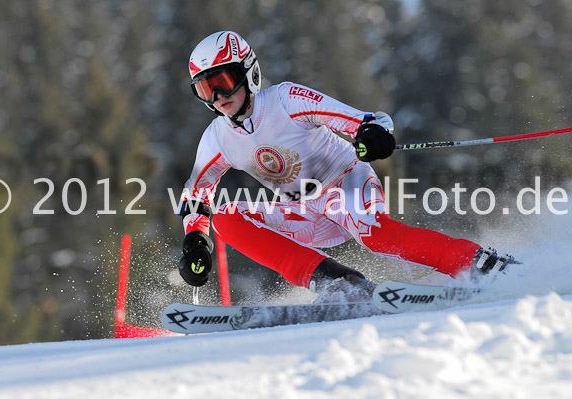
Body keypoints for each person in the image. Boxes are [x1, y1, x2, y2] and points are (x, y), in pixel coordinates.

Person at [177, 31, 516, 301]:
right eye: (206, 88)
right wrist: (195, 240)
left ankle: (481, 263)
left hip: (345, 183)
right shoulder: (217, 138)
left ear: (249, 72)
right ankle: (340, 283)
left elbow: (368, 120)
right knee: (224, 217)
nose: (219, 95)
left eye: (225, 79)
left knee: (376, 237)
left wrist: (373, 134)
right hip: (305, 211)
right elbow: (197, 193)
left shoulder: (285, 99)